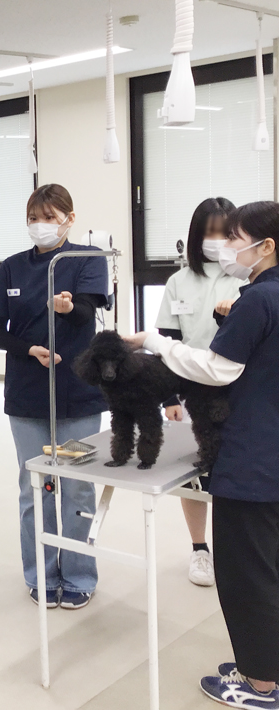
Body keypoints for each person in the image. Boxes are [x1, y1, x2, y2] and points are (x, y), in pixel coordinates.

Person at [126, 201, 279, 707]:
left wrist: (154, 343)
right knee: (269, 565)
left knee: (248, 574)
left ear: (265, 246)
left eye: (235, 237)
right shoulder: (260, 295)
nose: (228, 247)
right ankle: (266, 664)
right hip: (269, 446)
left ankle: (260, 684)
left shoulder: (258, 300)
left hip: (252, 457)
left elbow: (217, 368)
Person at [0, 184, 109, 610]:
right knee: (34, 487)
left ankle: (79, 574)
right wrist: (28, 350)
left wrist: (68, 308)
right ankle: (40, 573)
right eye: (34, 217)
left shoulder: (86, 259)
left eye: (50, 217)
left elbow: (88, 312)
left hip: (77, 390)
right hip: (27, 393)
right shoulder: (12, 268)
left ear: (70, 219)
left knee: (77, 488)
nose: (41, 225)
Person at [154, 197, 244, 588]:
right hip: (190, 390)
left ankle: (235, 549)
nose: (216, 240)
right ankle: (199, 549)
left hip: (238, 389)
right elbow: (167, 342)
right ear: (196, 235)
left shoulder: (245, 277)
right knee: (194, 474)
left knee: (234, 470)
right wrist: (169, 399)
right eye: (209, 232)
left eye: (224, 233)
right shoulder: (179, 281)